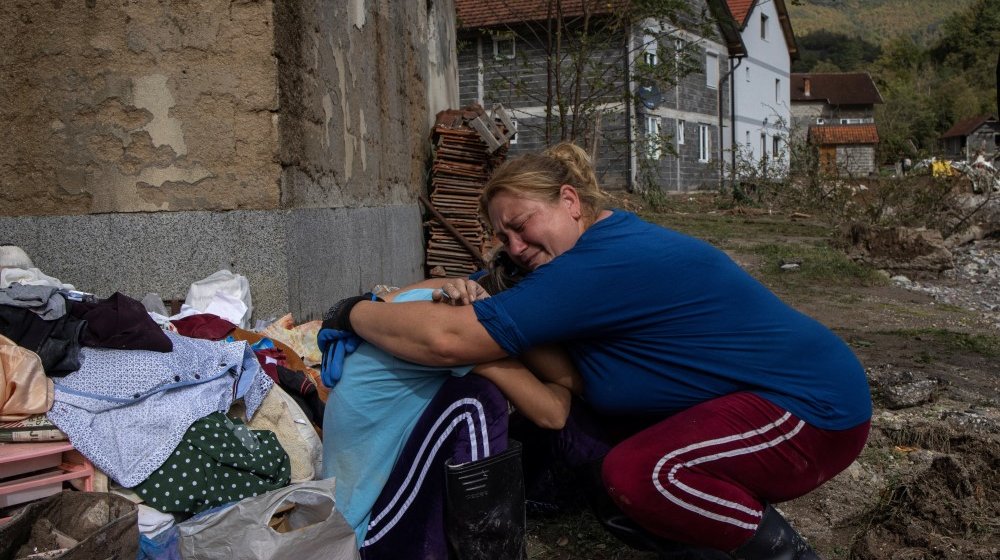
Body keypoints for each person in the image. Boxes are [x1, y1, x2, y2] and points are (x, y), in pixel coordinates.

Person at [325, 142, 872, 559]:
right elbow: (480, 285)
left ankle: (787, 552)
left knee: (644, 476)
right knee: (598, 459)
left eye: (521, 226)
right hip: (748, 403)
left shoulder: (597, 268)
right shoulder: (589, 249)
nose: (515, 247)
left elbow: (445, 339)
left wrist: (350, 311)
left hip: (811, 411)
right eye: (503, 238)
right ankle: (692, 530)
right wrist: (451, 286)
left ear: (569, 202)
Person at [320, 255, 580, 560]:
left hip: (361, 505)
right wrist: (560, 374)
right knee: (478, 401)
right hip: (365, 533)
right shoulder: (459, 328)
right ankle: (487, 550)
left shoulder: (434, 296)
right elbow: (552, 412)